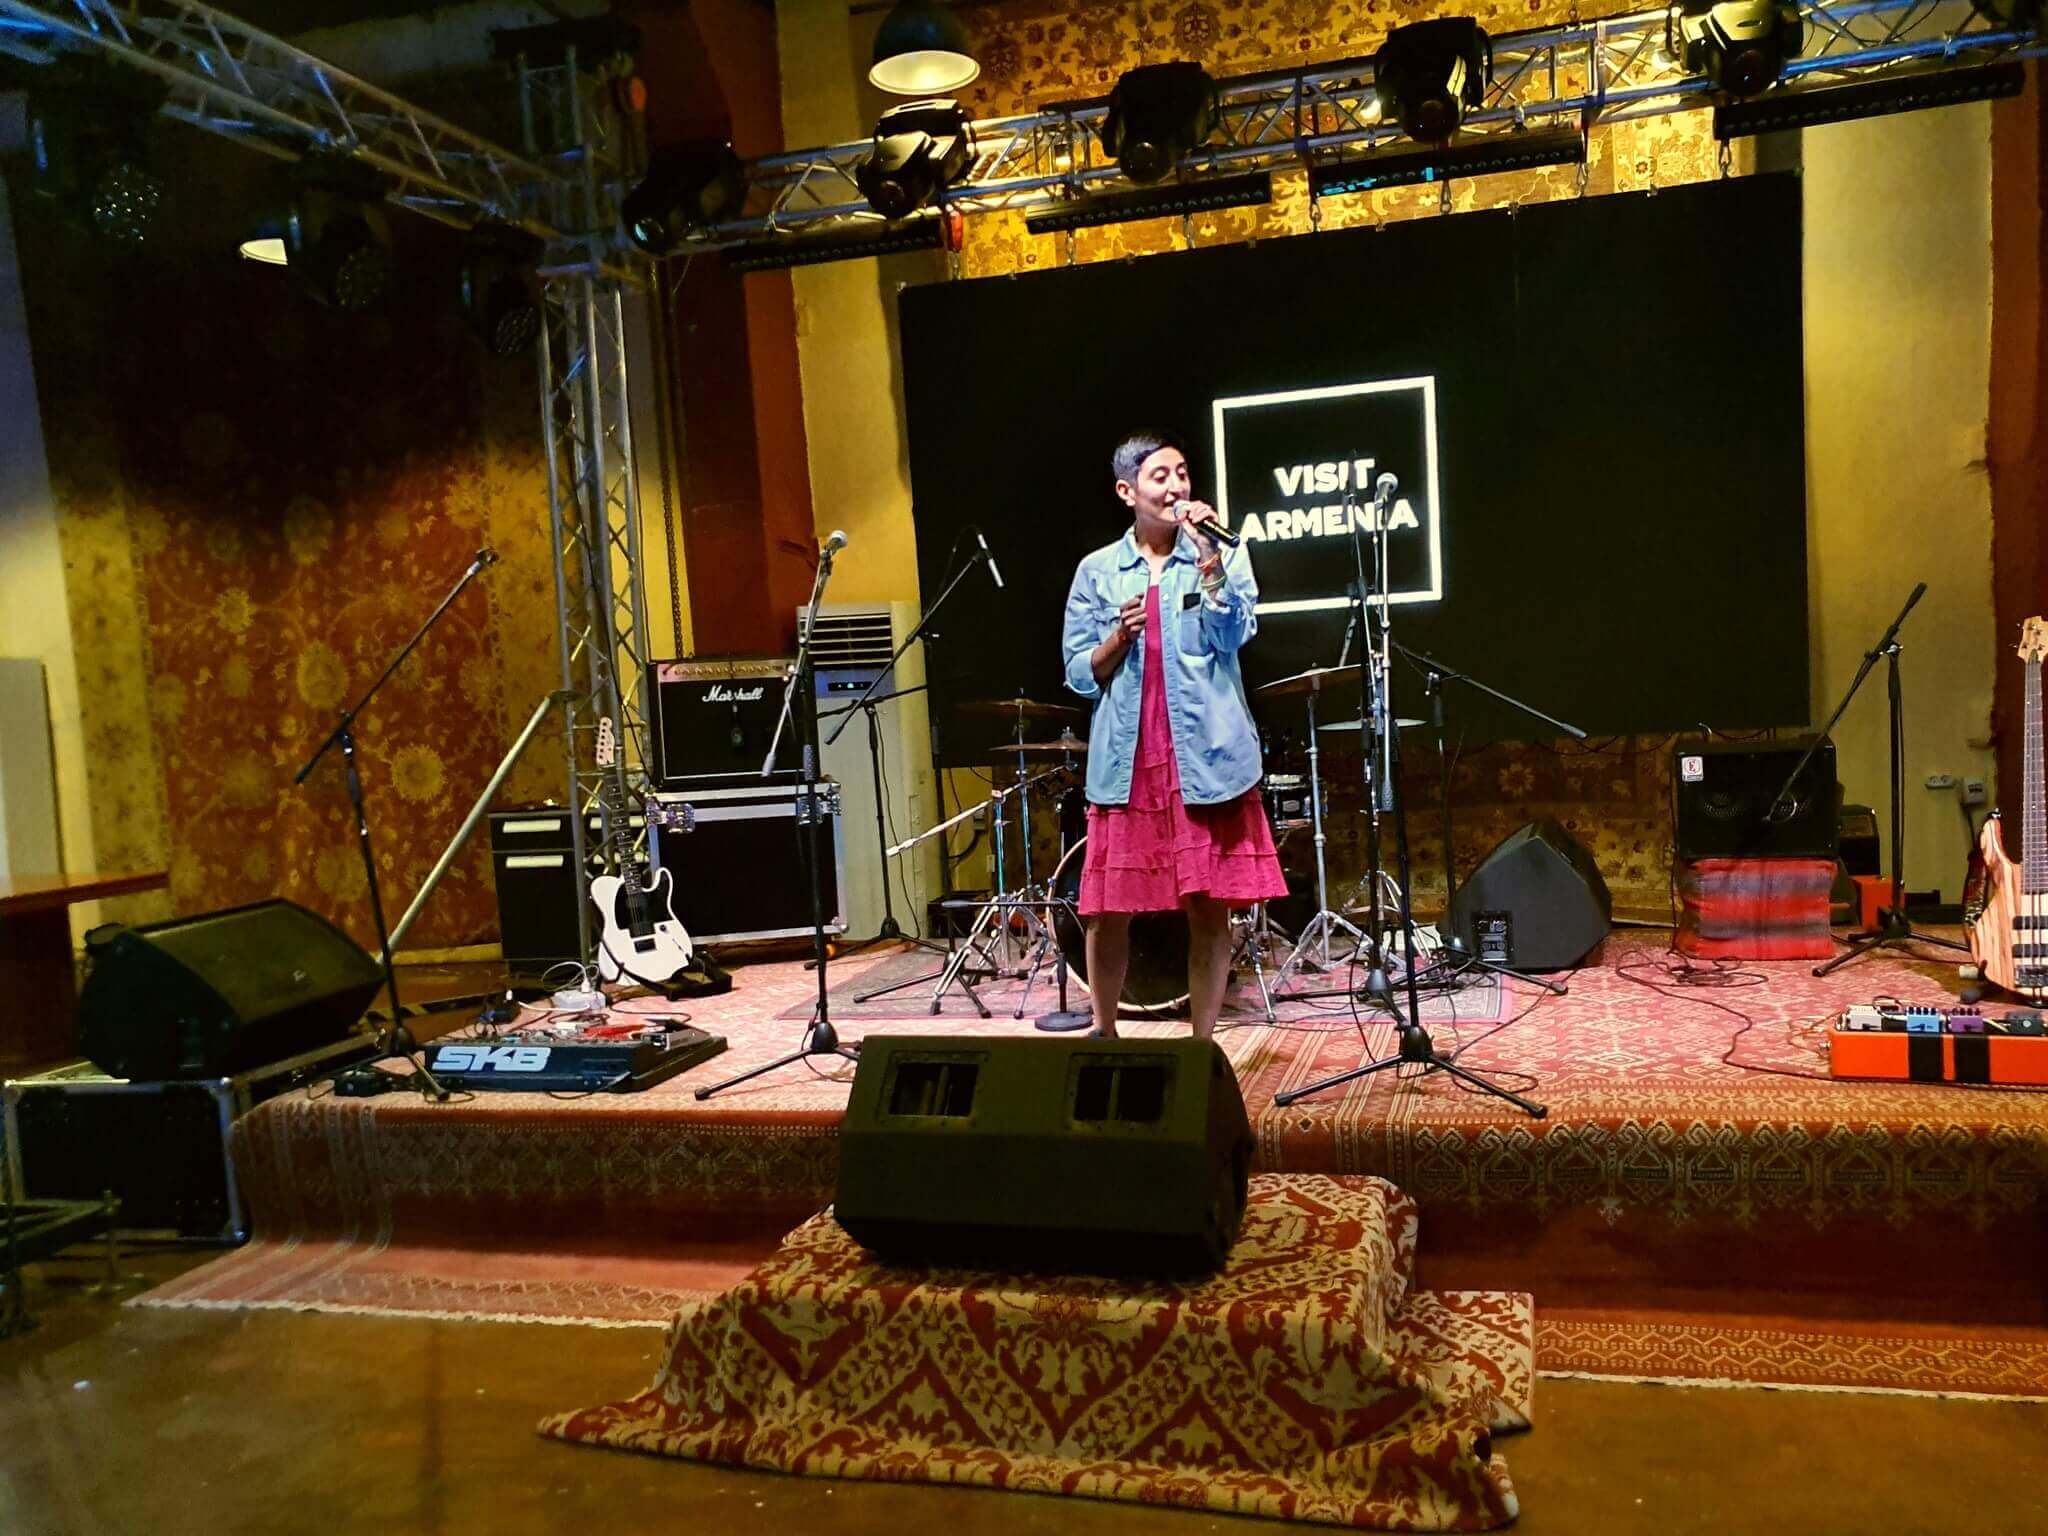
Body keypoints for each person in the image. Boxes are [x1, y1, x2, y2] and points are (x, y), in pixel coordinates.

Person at [1060, 429, 1287, 1039]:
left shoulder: (1221, 551)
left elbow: (1234, 634)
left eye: (1182, 473)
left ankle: (1201, 1044)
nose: (1176, 486)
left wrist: (1209, 557)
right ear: (1126, 491)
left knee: (1209, 909)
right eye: (1160, 476)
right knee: (1108, 911)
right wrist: (1118, 638)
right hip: (1129, 760)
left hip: (1204, 756)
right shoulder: (1098, 571)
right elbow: (1078, 673)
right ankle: (1104, 1032)